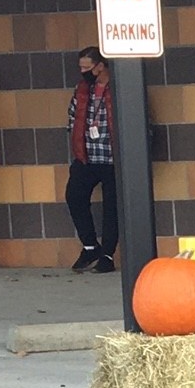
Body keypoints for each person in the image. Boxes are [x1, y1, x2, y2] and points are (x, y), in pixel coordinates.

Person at [65, 46, 118, 273]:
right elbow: (72, 116)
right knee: (74, 196)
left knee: (112, 208)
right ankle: (90, 247)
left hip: (114, 159)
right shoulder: (82, 89)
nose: (83, 72)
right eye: (81, 67)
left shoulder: (119, 87)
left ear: (100, 66)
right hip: (87, 157)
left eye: (87, 67)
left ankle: (107, 254)